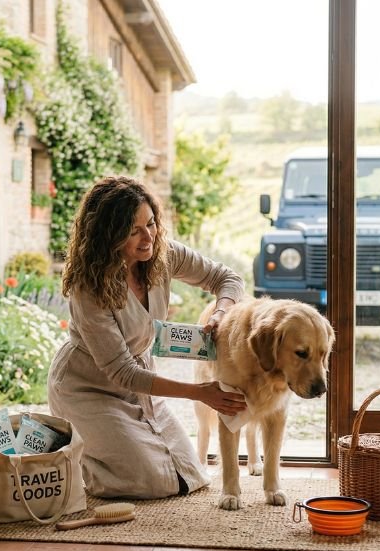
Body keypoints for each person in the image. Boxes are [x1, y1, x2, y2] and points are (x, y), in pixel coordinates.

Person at [47, 175, 246, 499]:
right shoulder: (88, 288)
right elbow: (121, 371)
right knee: (152, 481)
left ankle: (103, 448)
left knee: (189, 475)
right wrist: (199, 392)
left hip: (139, 385)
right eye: (133, 231)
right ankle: (73, 459)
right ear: (108, 236)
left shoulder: (162, 255)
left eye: (151, 224)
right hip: (87, 388)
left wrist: (221, 311)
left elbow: (227, 278)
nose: (148, 237)